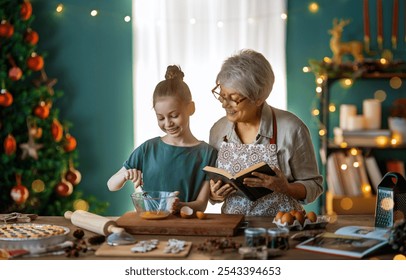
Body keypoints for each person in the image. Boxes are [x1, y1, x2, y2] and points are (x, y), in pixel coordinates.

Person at [209, 49, 323, 216]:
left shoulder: (292, 129)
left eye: (233, 98)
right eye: (222, 95)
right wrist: (214, 195)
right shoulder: (218, 130)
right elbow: (213, 186)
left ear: (258, 98)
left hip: (280, 230)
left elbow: (314, 186)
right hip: (232, 228)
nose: (224, 104)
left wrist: (286, 188)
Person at [107, 65, 217, 213]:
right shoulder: (148, 149)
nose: (167, 123)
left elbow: (201, 204)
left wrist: (178, 206)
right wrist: (125, 175)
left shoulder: (207, 154)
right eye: (160, 118)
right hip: (149, 227)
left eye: (174, 116)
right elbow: (111, 185)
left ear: (190, 108)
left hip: (186, 228)